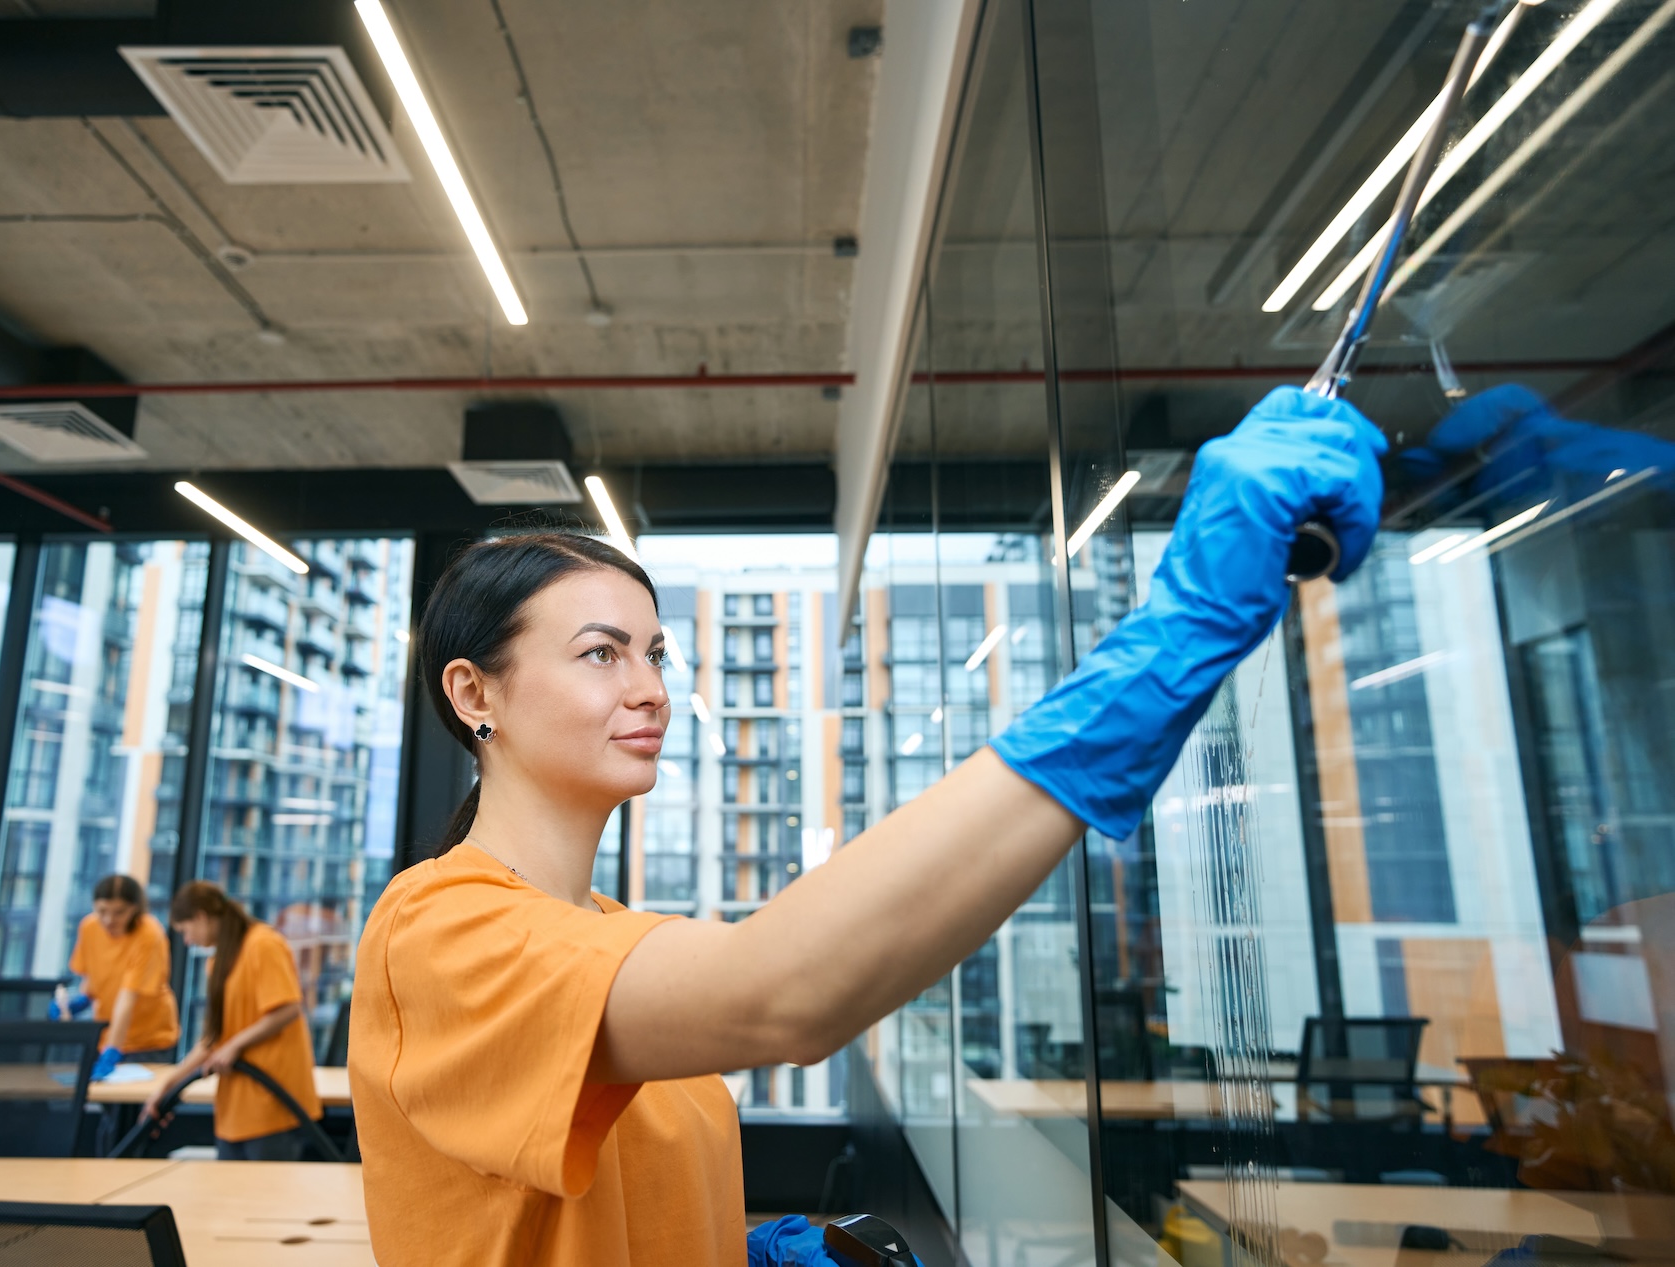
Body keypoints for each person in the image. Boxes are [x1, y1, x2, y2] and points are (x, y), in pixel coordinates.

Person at [348, 388, 1388, 1264]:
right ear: (473, 691)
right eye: (600, 653)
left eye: (656, 654)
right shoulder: (436, 929)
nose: (650, 688)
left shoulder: (606, 931)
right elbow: (783, 997)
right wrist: (1173, 632)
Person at [144, 880, 324, 1161]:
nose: (187, 941)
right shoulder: (217, 962)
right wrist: (168, 1085)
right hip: (235, 1109)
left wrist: (234, 1046)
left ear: (201, 917)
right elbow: (215, 1038)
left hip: (273, 1103)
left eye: (185, 930)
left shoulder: (263, 944)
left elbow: (288, 1008)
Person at [51, 873, 179, 1078]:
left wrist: (113, 1050)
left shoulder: (148, 934)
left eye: (119, 912)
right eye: (102, 911)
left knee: (139, 1106)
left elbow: (127, 999)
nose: (109, 920)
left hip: (148, 1041)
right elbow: (92, 978)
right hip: (107, 1037)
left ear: (135, 908)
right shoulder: (89, 927)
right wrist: (78, 1002)